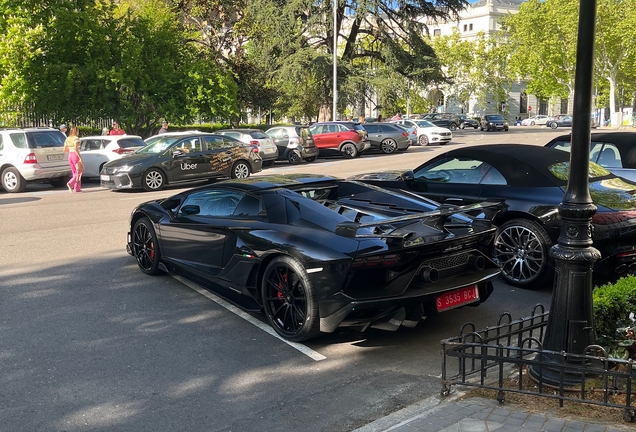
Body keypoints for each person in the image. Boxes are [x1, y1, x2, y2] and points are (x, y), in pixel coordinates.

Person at [63, 127, 83, 193]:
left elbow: (65, 149)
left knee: (74, 171)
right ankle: (71, 183)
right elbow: (76, 148)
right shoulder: (76, 139)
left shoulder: (67, 139)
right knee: (79, 171)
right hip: (75, 155)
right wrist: (80, 157)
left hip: (70, 155)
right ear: (76, 131)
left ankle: (77, 188)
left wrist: (70, 149)